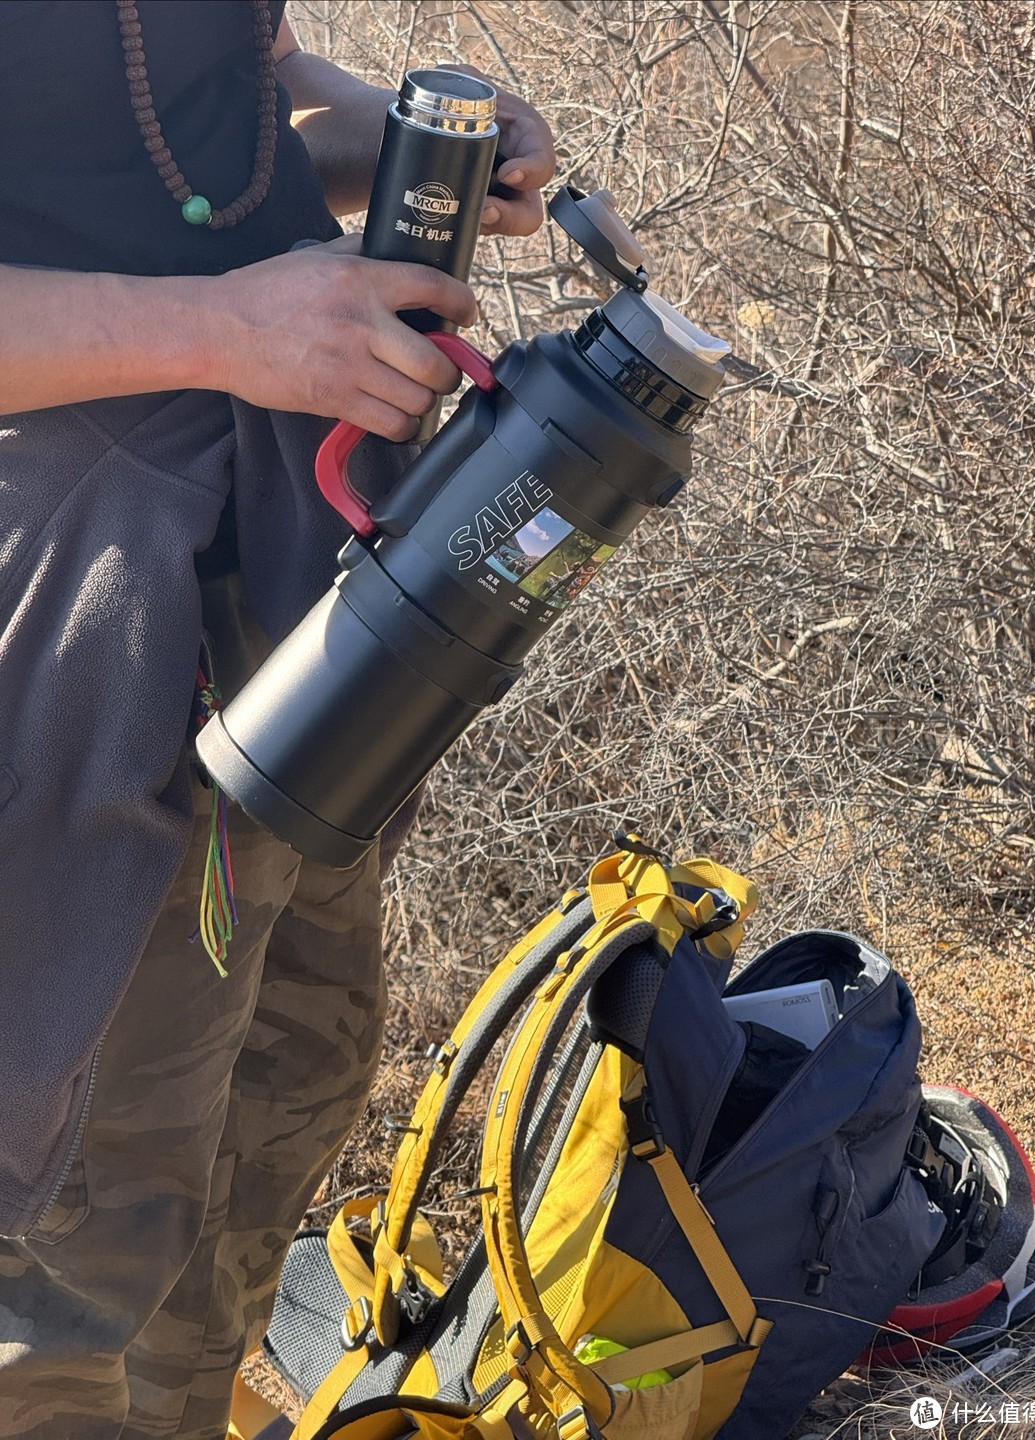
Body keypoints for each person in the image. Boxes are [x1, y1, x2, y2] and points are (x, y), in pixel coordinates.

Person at [0, 3, 556, 1437]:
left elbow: (236, 87)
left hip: (278, 575)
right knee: (69, 1235)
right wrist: (221, 324)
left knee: (277, 1097)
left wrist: (424, 147)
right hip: (69, 620)